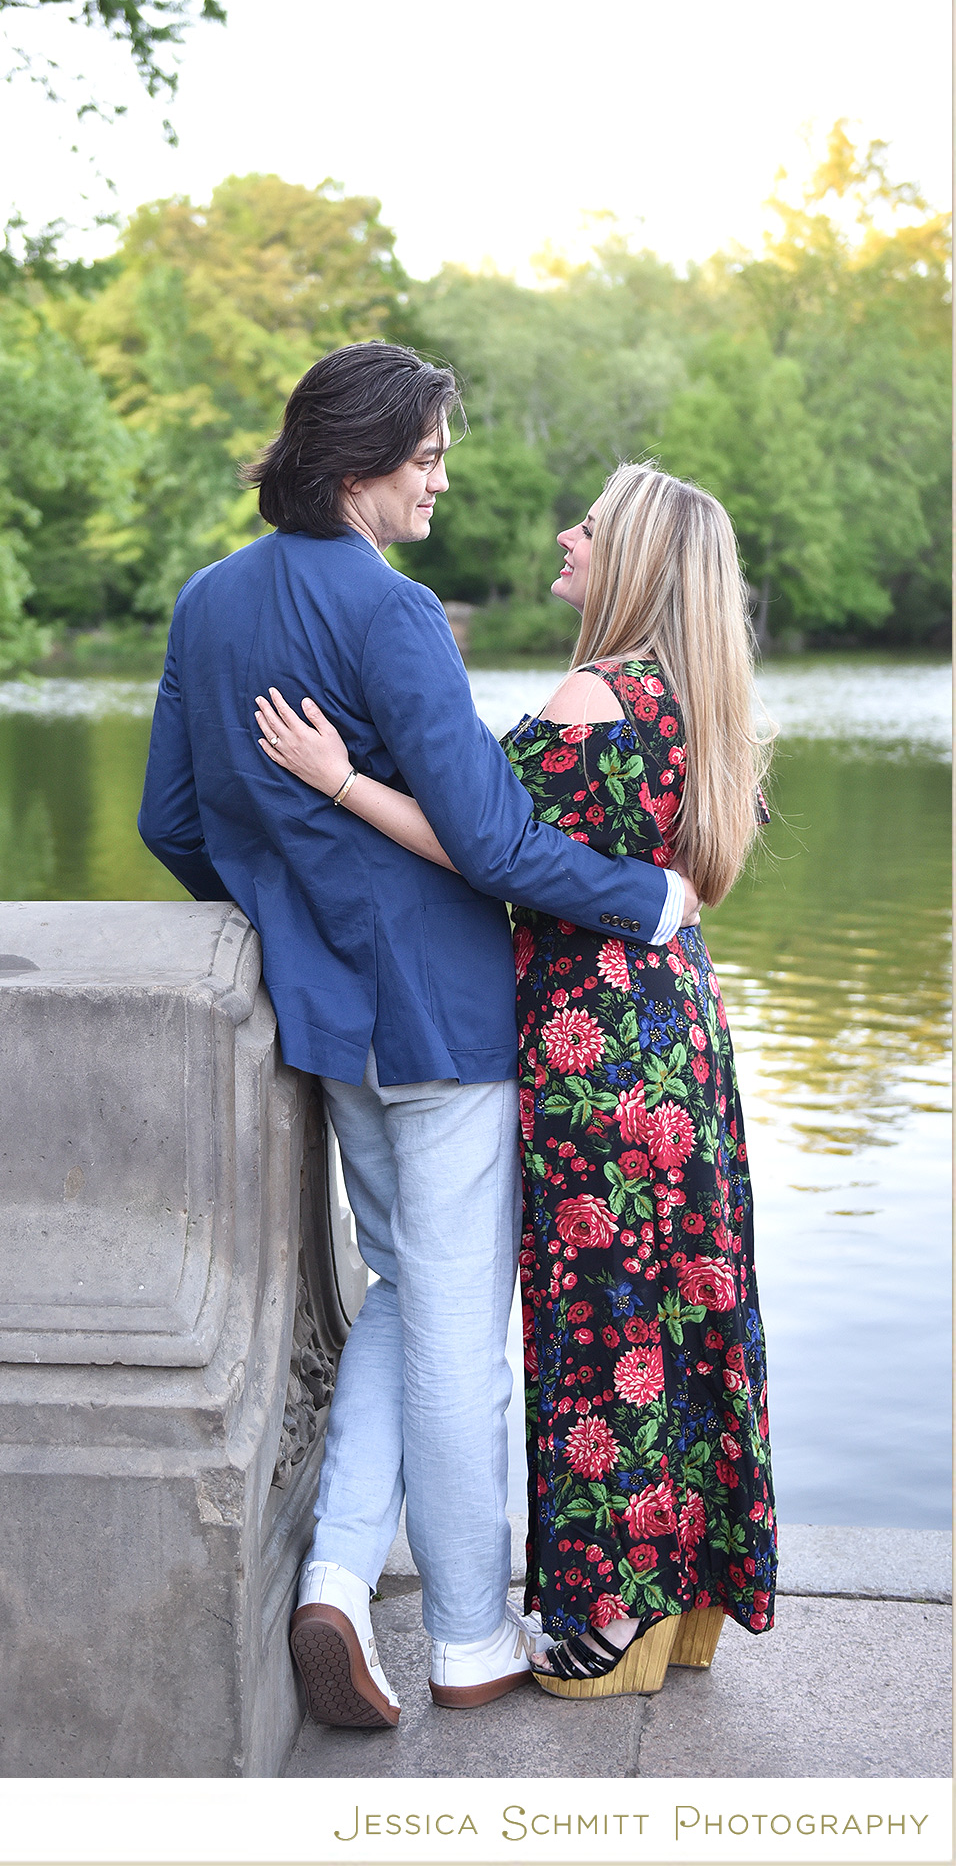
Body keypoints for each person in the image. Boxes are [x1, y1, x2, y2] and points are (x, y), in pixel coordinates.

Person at [138, 341, 700, 1730]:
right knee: (461, 1328)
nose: (444, 480)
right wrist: (649, 896)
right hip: (447, 1019)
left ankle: (332, 1574)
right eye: (430, 456)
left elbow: (174, 821)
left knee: (403, 1291)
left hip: (328, 1020)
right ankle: (468, 1634)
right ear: (359, 464)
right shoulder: (390, 614)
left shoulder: (207, 605)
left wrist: (294, 913)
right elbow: (495, 839)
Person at [253, 460, 777, 1703]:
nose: (566, 536)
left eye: (588, 528)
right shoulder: (708, 697)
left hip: (593, 1044)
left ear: (634, 558)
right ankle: (685, 1596)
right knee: (688, 1303)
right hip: (682, 1033)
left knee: (603, 1322)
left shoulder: (598, 692)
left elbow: (483, 835)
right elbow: (691, 869)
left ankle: (601, 1618)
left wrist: (336, 780)